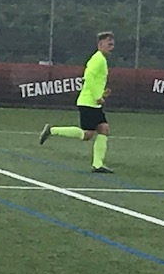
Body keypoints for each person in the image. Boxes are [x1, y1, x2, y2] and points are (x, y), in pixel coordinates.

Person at [39, 31, 115, 173]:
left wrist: (102, 93)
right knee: (87, 134)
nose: (111, 47)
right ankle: (52, 130)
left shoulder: (101, 59)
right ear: (100, 44)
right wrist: (97, 96)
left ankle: (98, 165)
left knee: (103, 128)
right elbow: (88, 77)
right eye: (108, 44)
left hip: (92, 102)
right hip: (89, 102)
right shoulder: (98, 59)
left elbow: (93, 81)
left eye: (112, 44)